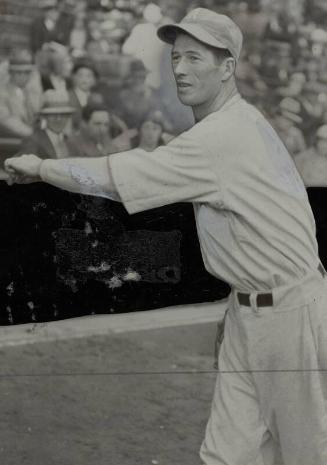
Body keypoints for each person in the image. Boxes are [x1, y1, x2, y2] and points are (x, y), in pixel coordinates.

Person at [4, 8, 327, 465]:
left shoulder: (224, 134)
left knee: (307, 453)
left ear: (228, 67)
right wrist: (243, 302)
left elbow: (125, 176)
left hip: (291, 313)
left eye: (195, 58)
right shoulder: (239, 121)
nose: (179, 68)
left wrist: (42, 168)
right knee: (225, 454)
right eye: (176, 57)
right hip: (257, 307)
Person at [16, 90, 76, 159]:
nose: (58, 119)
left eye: (63, 114)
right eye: (53, 114)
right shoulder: (33, 140)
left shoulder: (69, 140)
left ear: (68, 117)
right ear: (44, 116)